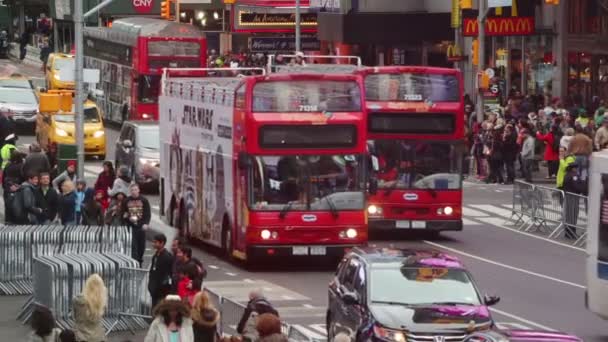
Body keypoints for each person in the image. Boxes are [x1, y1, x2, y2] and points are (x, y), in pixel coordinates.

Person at [72, 274, 107, 342]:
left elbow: (74, 317)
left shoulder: (77, 300)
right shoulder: (101, 302)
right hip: (98, 337)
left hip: (81, 337)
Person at [123, 183, 151, 264]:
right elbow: (124, 213)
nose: (134, 192)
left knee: (141, 246)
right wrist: (128, 218)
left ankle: (140, 260)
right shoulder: (126, 201)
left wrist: (146, 223)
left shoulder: (144, 200)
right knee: (133, 246)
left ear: (138, 190)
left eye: (135, 190)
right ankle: (135, 262)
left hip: (141, 227)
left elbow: (147, 213)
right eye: (132, 190)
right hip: (131, 227)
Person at [149, 234, 174, 309]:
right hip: (154, 289)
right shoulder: (156, 255)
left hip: (161, 290)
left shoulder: (167, 257)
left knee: (159, 309)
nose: (153, 244)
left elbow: (166, 273)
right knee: (154, 308)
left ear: (162, 243)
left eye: (155, 242)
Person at [563, 163, 587, 239]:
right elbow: (577, 186)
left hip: (568, 195)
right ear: (573, 168)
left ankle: (567, 232)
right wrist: (584, 189)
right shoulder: (574, 176)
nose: (577, 170)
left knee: (569, 214)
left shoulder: (567, 174)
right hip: (573, 196)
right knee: (573, 214)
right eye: (576, 168)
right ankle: (572, 232)